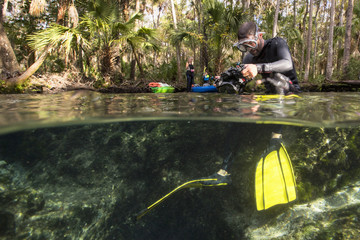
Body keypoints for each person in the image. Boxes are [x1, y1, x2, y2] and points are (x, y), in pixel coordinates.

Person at [233, 21, 301, 95]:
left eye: (251, 43)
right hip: (269, 93)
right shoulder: (248, 59)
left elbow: (287, 63)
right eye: (245, 46)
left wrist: (258, 68)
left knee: (277, 77)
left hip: (290, 90)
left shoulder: (277, 43)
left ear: (260, 36)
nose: (250, 49)